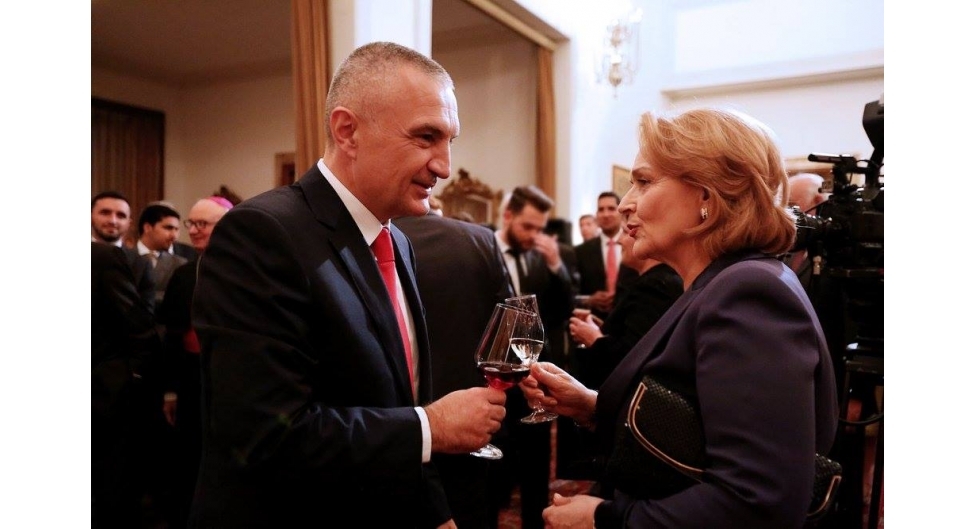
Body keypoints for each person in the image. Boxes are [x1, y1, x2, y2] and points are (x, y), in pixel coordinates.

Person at [189, 42, 506, 529]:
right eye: (426, 137)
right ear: (347, 131)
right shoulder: (262, 232)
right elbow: (265, 434)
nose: (444, 166)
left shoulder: (396, 241)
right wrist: (431, 427)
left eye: (449, 141)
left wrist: (435, 511)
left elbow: (398, 399)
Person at [521, 107, 838, 528]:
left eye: (644, 181)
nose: (627, 204)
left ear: (707, 196)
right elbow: (697, 427)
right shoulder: (718, 283)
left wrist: (605, 518)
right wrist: (591, 406)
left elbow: (760, 501)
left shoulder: (748, 294)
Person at [396, 211, 515, 529]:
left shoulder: (365, 240)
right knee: (471, 512)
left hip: (391, 424)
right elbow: (509, 329)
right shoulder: (479, 239)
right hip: (470, 414)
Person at [491, 185, 574, 529]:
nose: (533, 236)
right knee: (496, 466)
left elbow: (563, 309)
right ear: (508, 216)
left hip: (536, 374)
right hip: (495, 375)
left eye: (539, 228)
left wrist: (556, 265)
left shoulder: (540, 256)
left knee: (537, 465)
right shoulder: (482, 250)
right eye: (527, 226)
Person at [156, 196, 233, 528]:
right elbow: (171, 337)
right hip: (189, 378)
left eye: (203, 224)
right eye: (192, 223)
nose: (194, 230)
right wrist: (170, 390)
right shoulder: (184, 273)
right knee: (187, 458)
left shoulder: (245, 270)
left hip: (230, 382)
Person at [92, 241, 159, 528]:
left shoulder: (100, 258)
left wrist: (130, 377)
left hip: (102, 398)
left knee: (110, 496)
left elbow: (138, 325)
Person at [568, 230, 682, 389]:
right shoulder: (653, 280)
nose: (619, 240)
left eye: (625, 232)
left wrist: (594, 339)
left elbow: (634, 358)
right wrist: (603, 329)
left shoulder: (654, 286)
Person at [574, 192, 623, 319]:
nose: (605, 214)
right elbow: (572, 291)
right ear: (596, 215)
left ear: (621, 212)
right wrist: (589, 299)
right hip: (594, 320)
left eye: (611, 208)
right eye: (601, 210)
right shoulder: (580, 251)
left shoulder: (635, 245)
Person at [136, 203, 187, 303]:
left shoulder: (179, 264)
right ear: (147, 227)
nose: (174, 236)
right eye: (168, 228)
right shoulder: (123, 257)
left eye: (176, 229)